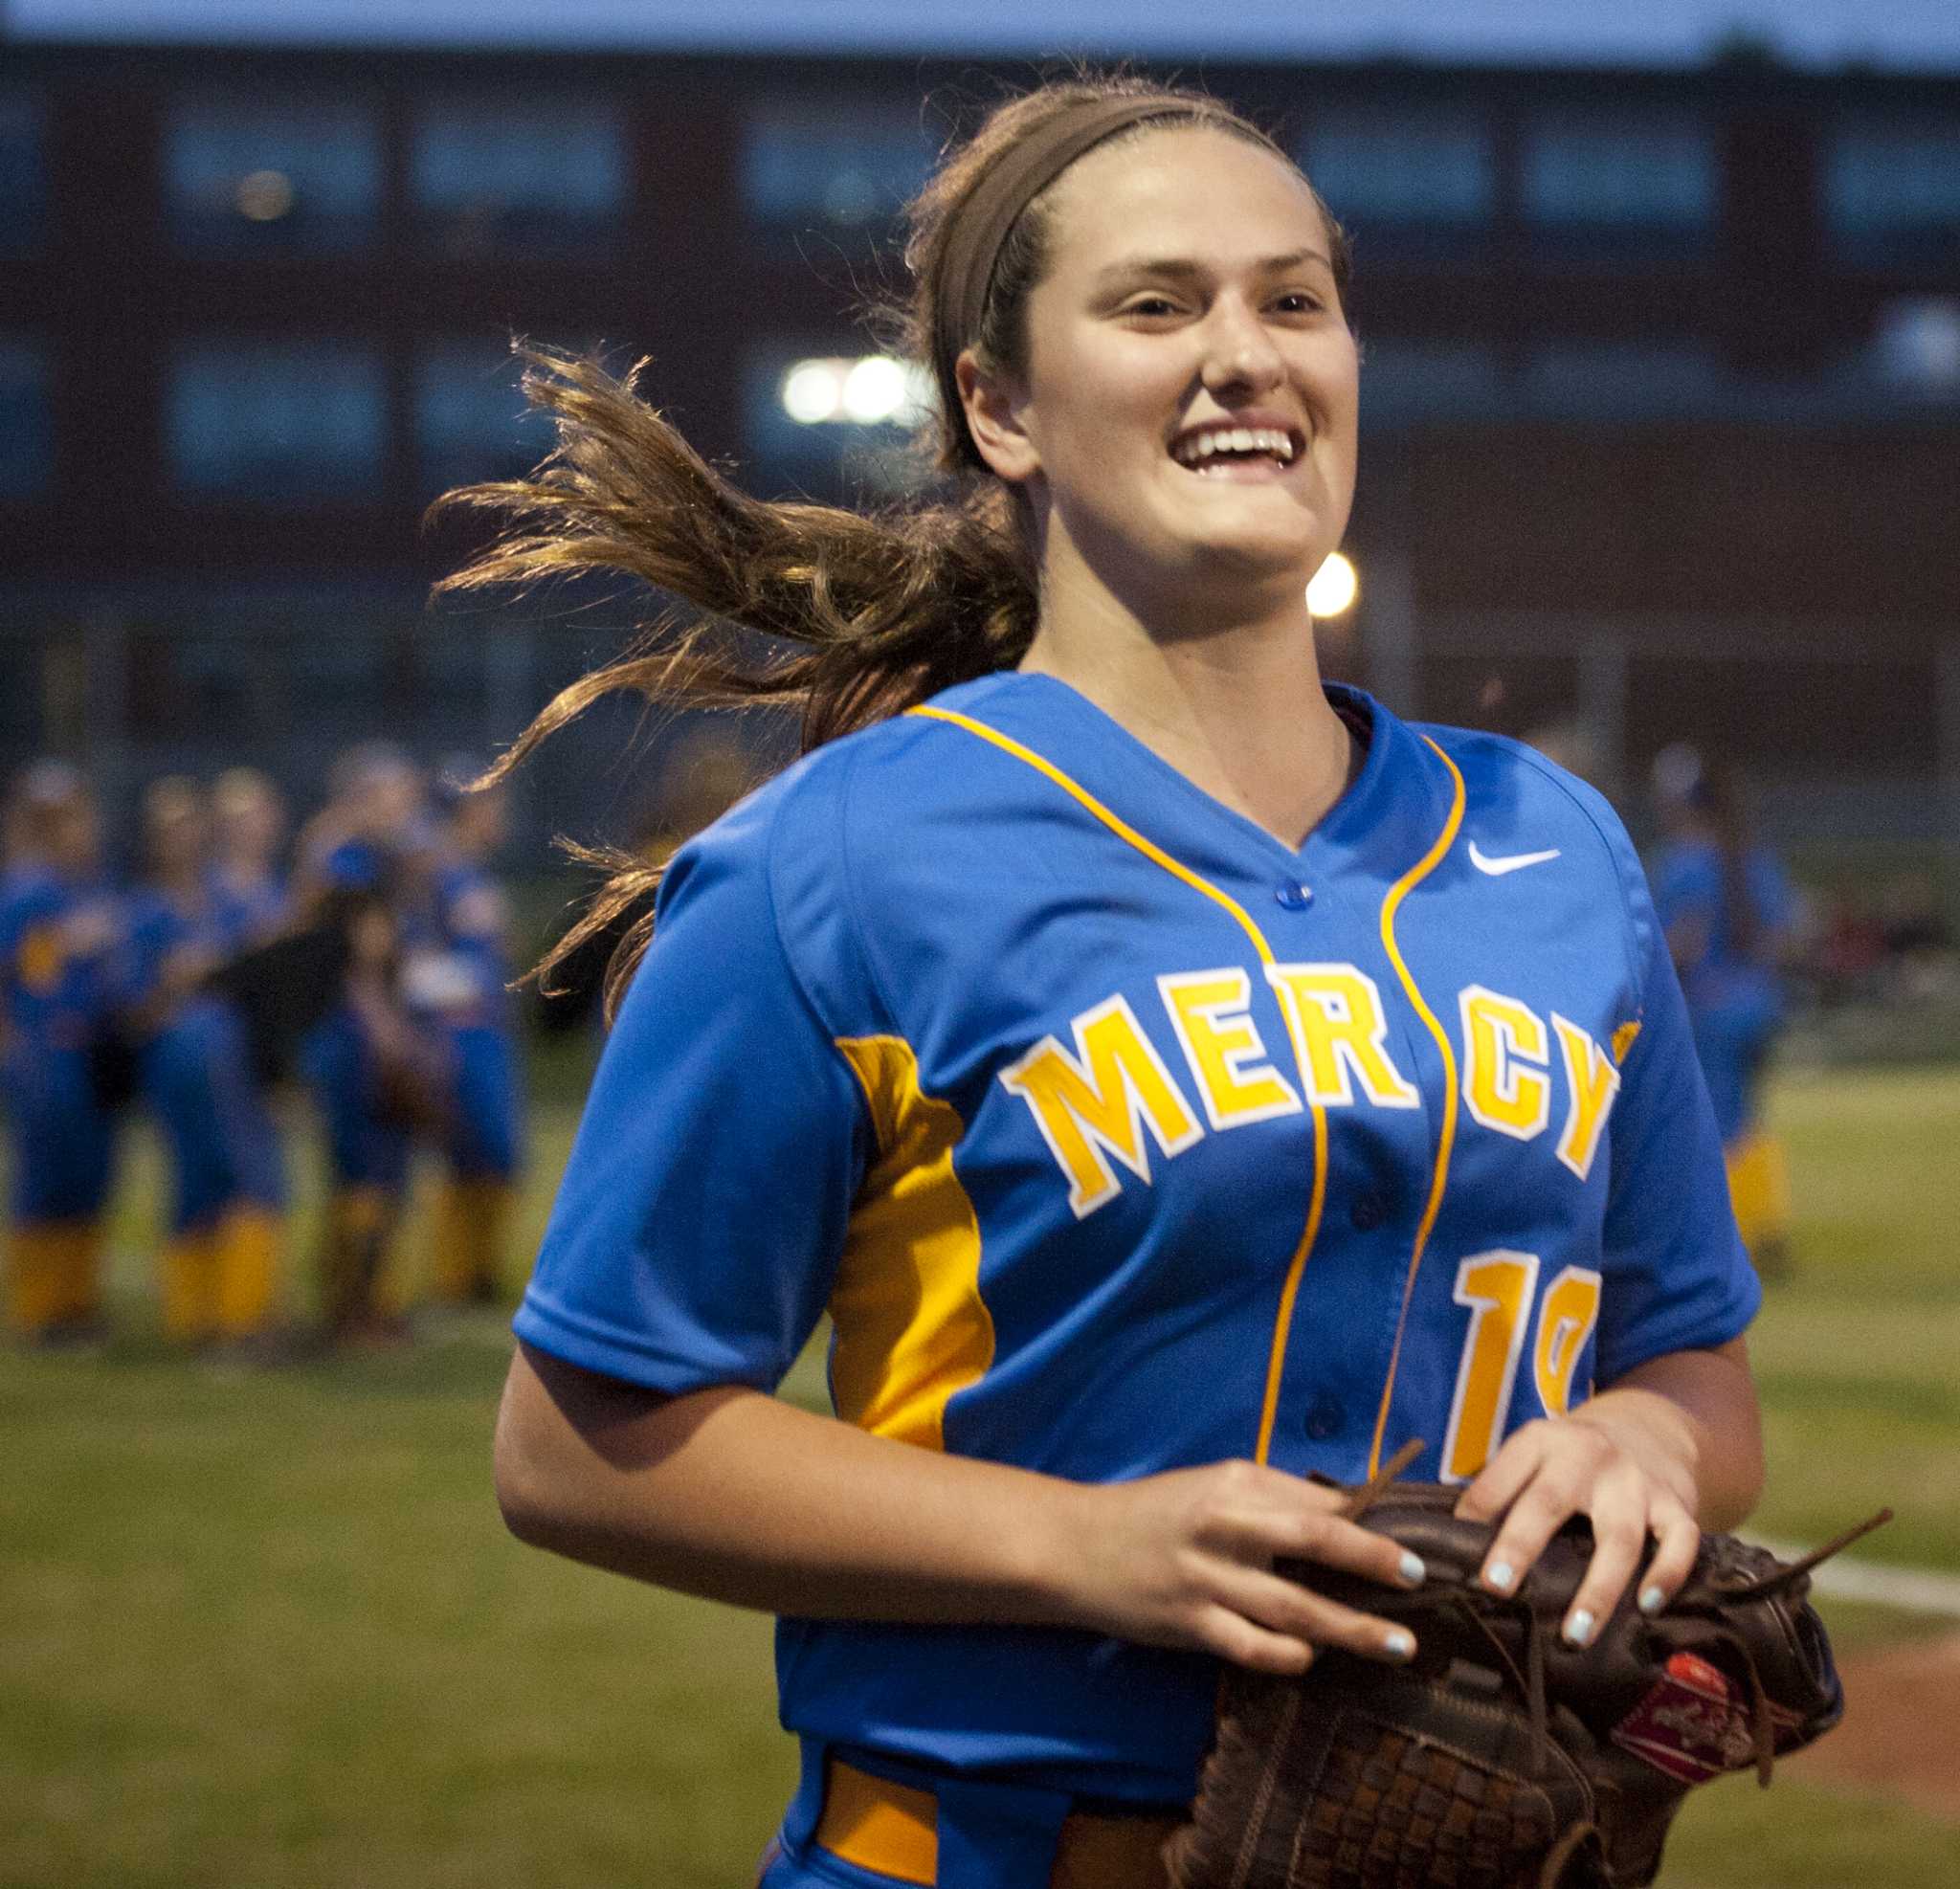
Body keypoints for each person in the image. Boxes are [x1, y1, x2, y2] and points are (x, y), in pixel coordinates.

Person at [453, 78, 1768, 1889]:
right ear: (1000, 406)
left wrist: (1643, 1438)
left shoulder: (1556, 845)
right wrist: (1085, 1549)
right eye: (1157, 306)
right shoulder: (833, 864)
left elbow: (1690, 1359)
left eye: (1291, 298)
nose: (1244, 353)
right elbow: (580, 1445)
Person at [120, 776, 289, 1347]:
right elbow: (130, 1009)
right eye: (172, 830)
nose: (184, 840)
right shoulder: (144, 910)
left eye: (192, 827)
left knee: (243, 1176)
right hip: (180, 1062)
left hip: (233, 1058)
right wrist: (176, 984)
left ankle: (233, 1316)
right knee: (214, 1179)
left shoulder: (225, 900)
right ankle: (215, 1322)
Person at [1650, 744, 1798, 1280]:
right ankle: (1768, 1226)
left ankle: (1731, 1237)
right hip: (1758, 1005)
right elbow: (1781, 938)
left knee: (1713, 1123)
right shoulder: (1753, 857)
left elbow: (1681, 941)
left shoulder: (1684, 862)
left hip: (1709, 1011)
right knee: (1749, 1119)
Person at [1, 761, 124, 1345]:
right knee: (46, 1178)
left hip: (90, 1048)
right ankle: (38, 1309)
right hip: (46, 1049)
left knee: (88, 1173)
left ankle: (76, 1304)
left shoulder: (87, 885)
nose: (79, 827)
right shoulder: (28, 889)